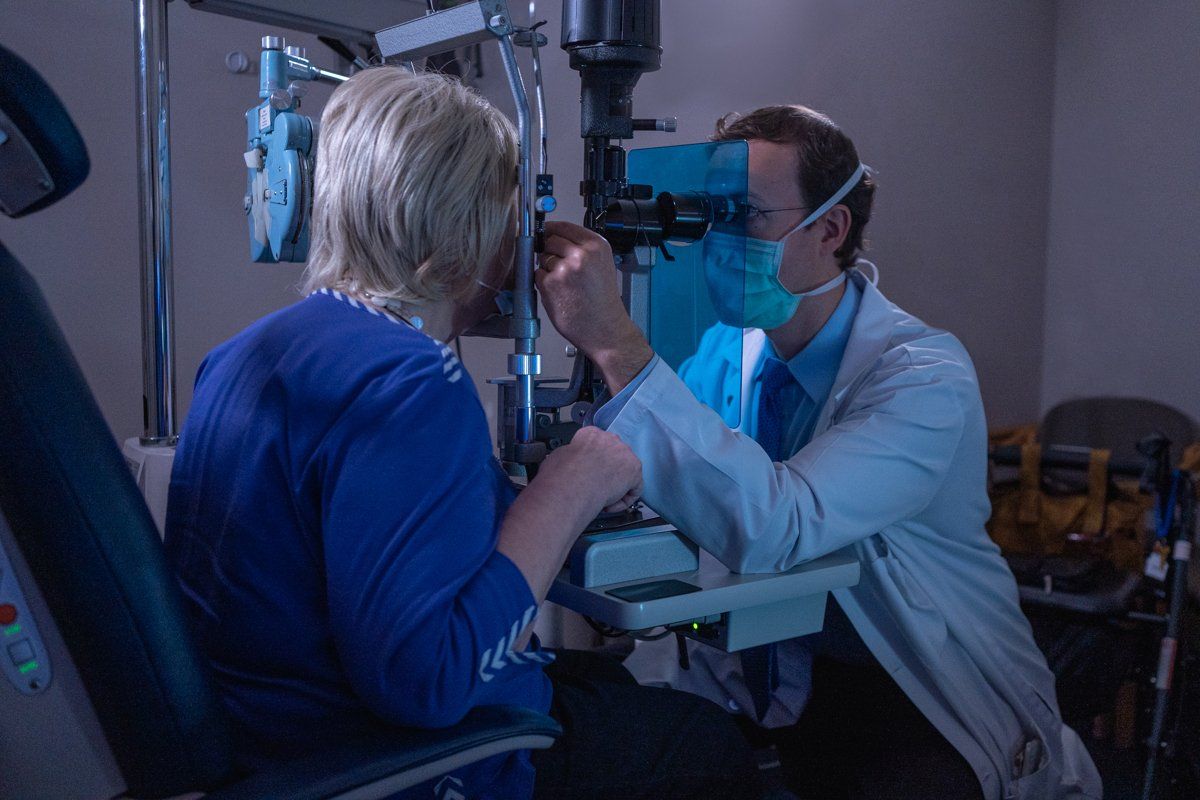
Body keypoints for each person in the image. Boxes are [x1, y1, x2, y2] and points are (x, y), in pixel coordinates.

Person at [165, 67, 758, 800]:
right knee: (707, 743)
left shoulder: (242, 354)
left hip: (266, 742)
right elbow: (430, 682)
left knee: (606, 682)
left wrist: (526, 501)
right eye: (515, 215)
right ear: (466, 227)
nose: (523, 242)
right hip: (390, 765)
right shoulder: (410, 380)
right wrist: (569, 488)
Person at [535, 105, 1103, 799]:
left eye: (745, 215)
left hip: (912, 681)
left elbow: (779, 525)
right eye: (711, 213)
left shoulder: (923, 378)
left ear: (831, 229)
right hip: (775, 664)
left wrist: (615, 341)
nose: (718, 241)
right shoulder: (726, 352)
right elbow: (670, 473)